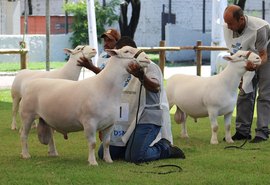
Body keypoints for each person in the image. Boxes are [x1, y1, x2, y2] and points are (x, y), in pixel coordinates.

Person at [78, 36, 185, 163]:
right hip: (127, 117)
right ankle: (130, 147)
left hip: (146, 117)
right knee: (104, 153)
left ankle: (165, 148)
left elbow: (156, 87)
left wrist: (141, 76)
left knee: (135, 157)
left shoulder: (150, 66)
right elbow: (105, 79)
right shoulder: (120, 67)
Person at [223, 5, 270, 143]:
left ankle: (262, 132)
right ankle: (242, 131)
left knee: (264, 94)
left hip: (266, 57)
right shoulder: (229, 28)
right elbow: (234, 52)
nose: (228, 27)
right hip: (246, 58)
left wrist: (255, 65)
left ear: (241, 19)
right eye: (227, 23)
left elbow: (263, 55)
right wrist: (240, 77)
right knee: (245, 91)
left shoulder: (259, 29)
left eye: (230, 23)